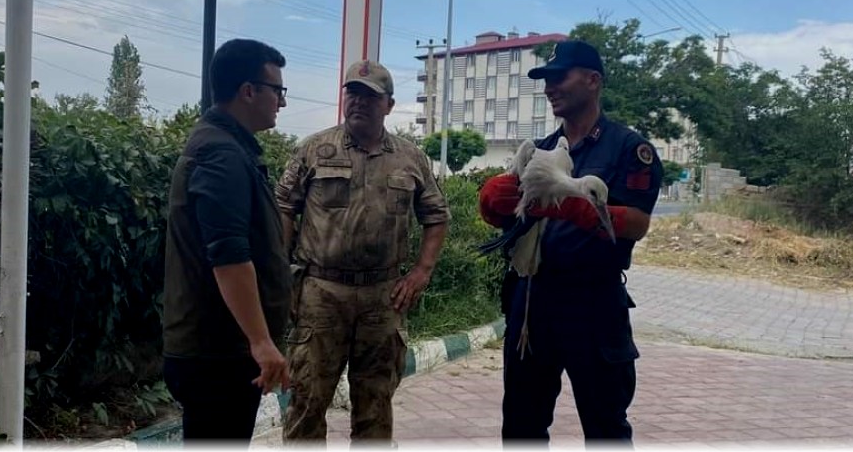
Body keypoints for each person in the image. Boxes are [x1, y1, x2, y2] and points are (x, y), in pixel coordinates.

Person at [477, 39, 662, 444]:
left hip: (592, 302)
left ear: (593, 80)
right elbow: (515, 217)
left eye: (560, 77)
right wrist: (495, 207)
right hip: (532, 300)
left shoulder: (631, 149)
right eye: (546, 79)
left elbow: (637, 223)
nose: (550, 87)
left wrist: (575, 207)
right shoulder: (541, 149)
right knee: (521, 425)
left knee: (605, 428)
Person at [277, 59, 451, 443]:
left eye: (370, 97)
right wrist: (281, 271)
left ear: (388, 105)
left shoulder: (410, 158)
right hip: (321, 295)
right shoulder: (314, 150)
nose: (359, 103)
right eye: (352, 93)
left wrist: (421, 272)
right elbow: (284, 208)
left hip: (382, 297)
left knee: (375, 407)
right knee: (307, 402)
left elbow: (436, 216)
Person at [162, 38, 293, 442]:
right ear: (248, 91)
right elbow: (229, 256)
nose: (282, 103)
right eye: (277, 90)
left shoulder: (227, 147)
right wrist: (261, 342)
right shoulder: (222, 154)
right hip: (217, 353)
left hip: (219, 348)